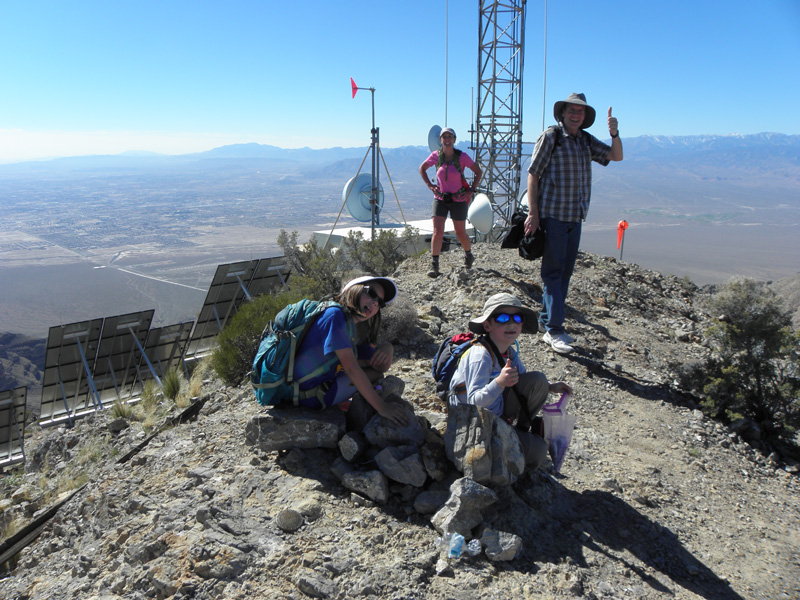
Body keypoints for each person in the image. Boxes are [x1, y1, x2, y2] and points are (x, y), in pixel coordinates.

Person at [525, 93, 623, 354]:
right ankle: (555, 330)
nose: (576, 115)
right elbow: (533, 173)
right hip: (553, 216)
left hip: (575, 216)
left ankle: (548, 322)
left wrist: (614, 133)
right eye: (572, 110)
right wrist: (533, 213)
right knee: (553, 272)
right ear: (563, 113)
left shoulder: (585, 141)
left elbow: (616, 156)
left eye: (580, 111)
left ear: (585, 116)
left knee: (564, 273)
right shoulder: (551, 137)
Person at [448, 293, 572, 469]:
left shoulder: (509, 352)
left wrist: (550, 387)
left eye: (517, 318)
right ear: (487, 325)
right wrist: (499, 382)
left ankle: (519, 432)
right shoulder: (480, 355)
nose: (511, 323)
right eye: (503, 318)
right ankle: (516, 439)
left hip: (495, 415)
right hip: (473, 424)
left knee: (539, 380)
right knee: (539, 452)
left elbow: (526, 383)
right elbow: (473, 402)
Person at [291, 275, 408, 426]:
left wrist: (387, 348)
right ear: (353, 290)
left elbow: (379, 365)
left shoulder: (348, 328)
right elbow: (352, 369)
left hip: (310, 388)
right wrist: (382, 407)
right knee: (373, 376)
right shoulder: (335, 316)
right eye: (371, 293)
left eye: (380, 302)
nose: (374, 302)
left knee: (373, 373)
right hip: (309, 396)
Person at [419, 127, 482, 277]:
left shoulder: (462, 157)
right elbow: (422, 169)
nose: (447, 140)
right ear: (440, 140)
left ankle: (468, 255)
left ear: (454, 139)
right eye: (444, 137)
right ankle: (434, 264)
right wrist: (430, 185)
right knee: (437, 231)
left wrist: (472, 189)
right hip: (440, 198)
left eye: (450, 137)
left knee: (460, 232)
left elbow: (478, 172)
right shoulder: (436, 156)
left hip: (458, 199)